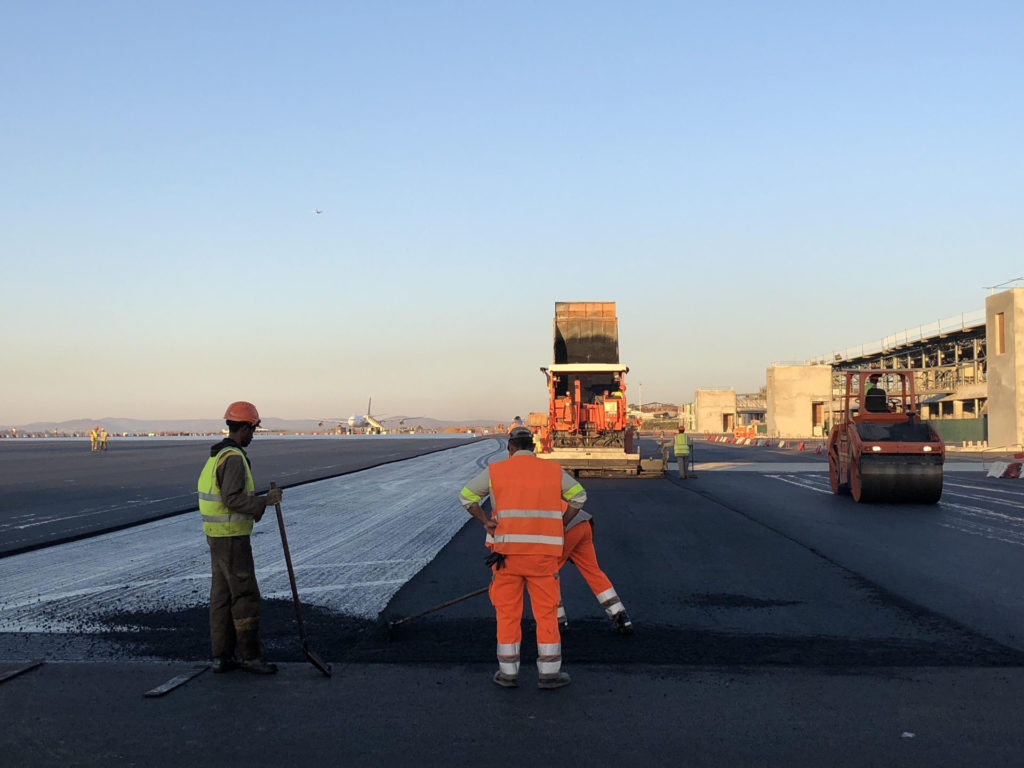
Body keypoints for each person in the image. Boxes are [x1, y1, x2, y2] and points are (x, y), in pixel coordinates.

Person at [459, 426, 586, 690]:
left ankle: (508, 673)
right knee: (546, 613)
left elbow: (467, 497)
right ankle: (549, 673)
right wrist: (561, 523)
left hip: (506, 556)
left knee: (507, 614)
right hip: (543, 556)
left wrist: (486, 521)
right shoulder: (552, 471)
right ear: (534, 447)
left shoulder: (496, 471)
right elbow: (579, 497)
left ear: (511, 447)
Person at [197, 401, 282, 675]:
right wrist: (264, 502)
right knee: (245, 595)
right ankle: (250, 657)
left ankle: (221, 657)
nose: (253, 436)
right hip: (232, 538)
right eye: (253, 430)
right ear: (243, 427)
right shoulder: (233, 458)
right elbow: (232, 498)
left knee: (221, 597)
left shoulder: (216, 456)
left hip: (217, 536)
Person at [556, 505, 633, 634]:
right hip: (583, 523)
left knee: (547, 573)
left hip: (565, 528)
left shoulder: (520, 501)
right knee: (592, 571)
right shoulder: (538, 492)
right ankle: (620, 615)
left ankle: (556, 621)